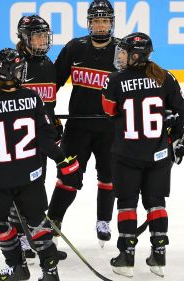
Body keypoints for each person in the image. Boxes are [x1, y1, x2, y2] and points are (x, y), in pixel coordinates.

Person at [0, 48, 81, 281]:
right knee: (38, 222)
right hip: (29, 176)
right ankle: (51, 273)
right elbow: (46, 137)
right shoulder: (32, 97)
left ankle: (17, 267)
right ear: (19, 73)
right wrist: (63, 160)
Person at [101, 32, 184, 278]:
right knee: (156, 202)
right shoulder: (165, 77)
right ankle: (159, 256)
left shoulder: (116, 80)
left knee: (127, 204)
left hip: (126, 154)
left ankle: (126, 258)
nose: (119, 56)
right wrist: (176, 136)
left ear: (135, 54)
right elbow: (182, 112)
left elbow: (109, 111)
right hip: (159, 155)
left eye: (123, 52)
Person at [47, 0, 119, 247]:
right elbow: (52, 84)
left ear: (111, 22)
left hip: (111, 129)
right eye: (96, 20)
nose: (100, 25)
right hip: (78, 127)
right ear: (89, 23)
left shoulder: (122, 50)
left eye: (105, 20)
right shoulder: (75, 48)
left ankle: (103, 221)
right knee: (68, 175)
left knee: (109, 176)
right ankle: (53, 221)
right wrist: (45, 114)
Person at [8, 14, 62, 264]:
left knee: (36, 188)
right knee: (19, 190)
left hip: (41, 138)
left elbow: (48, 104)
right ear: (23, 38)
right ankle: (20, 238)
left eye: (44, 35)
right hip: (20, 140)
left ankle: (34, 238)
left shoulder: (48, 64)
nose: (41, 40)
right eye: (36, 36)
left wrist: (54, 124)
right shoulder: (15, 64)